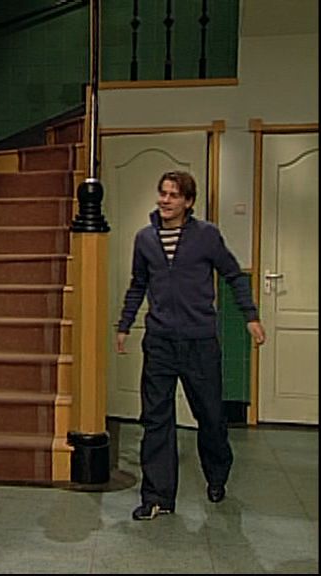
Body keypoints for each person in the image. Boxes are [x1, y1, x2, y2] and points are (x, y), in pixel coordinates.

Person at [115, 170, 266, 521]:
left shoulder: (206, 236)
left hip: (200, 342)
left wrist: (250, 316)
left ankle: (217, 475)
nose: (165, 200)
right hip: (160, 343)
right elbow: (138, 284)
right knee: (156, 420)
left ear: (188, 202)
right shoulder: (145, 239)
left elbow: (233, 275)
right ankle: (158, 497)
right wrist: (124, 324)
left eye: (173, 195)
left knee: (211, 417)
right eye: (162, 193)